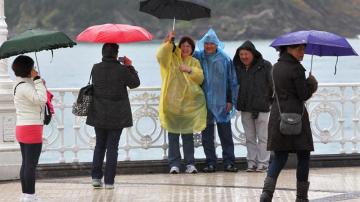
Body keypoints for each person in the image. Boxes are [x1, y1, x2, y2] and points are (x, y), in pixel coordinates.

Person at [260, 44, 318, 202]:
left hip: (278, 116)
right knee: (303, 156)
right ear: (288, 49)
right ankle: (301, 198)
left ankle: (266, 194)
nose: (302, 53)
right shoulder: (297, 69)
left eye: (303, 49)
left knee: (279, 157)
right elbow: (303, 94)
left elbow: (269, 93)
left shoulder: (275, 67)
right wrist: (312, 84)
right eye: (299, 49)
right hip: (297, 117)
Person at [86, 43, 140, 189]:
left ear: (103, 53)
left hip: (98, 113)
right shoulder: (122, 69)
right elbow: (135, 83)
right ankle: (109, 181)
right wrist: (129, 66)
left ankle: (96, 178)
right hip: (118, 115)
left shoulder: (95, 68)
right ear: (117, 54)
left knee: (99, 146)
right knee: (112, 148)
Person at [156, 31, 207, 174]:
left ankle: (190, 163)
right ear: (178, 47)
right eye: (183, 46)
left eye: (188, 46)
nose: (185, 48)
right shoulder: (171, 59)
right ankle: (174, 164)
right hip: (171, 104)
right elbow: (160, 56)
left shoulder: (194, 62)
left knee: (187, 136)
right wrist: (168, 43)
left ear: (192, 49)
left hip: (188, 106)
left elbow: (200, 78)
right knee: (172, 136)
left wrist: (190, 70)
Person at [193, 28, 239, 172]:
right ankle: (210, 162)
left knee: (225, 134)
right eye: (206, 43)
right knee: (206, 136)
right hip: (204, 102)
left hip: (221, 102)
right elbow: (182, 54)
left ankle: (229, 162)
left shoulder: (225, 59)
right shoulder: (198, 57)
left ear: (217, 44)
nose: (209, 46)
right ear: (203, 44)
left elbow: (231, 81)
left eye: (212, 43)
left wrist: (230, 100)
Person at [233, 40, 273, 172]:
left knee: (263, 137)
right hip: (245, 107)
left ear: (253, 53)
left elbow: (273, 85)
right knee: (249, 138)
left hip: (262, 107)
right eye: (241, 54)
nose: (244, 57)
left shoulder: (265, 66)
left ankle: (263, 163)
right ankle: (251, 162)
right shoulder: (238, 67)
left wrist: (270, 101)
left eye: (246, 54)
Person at [12, 55, 47, 202]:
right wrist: (37, 79)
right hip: (31, 128)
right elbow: (41, 100)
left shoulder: (20, 84)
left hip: (23, 127)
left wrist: (38, 82)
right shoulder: (25, 87)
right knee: (31, 165)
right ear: (28, 69)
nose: (34, 69)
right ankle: (30, 196)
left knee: (26, 163)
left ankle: (26, 194)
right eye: (32, 67)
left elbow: (35, 97)